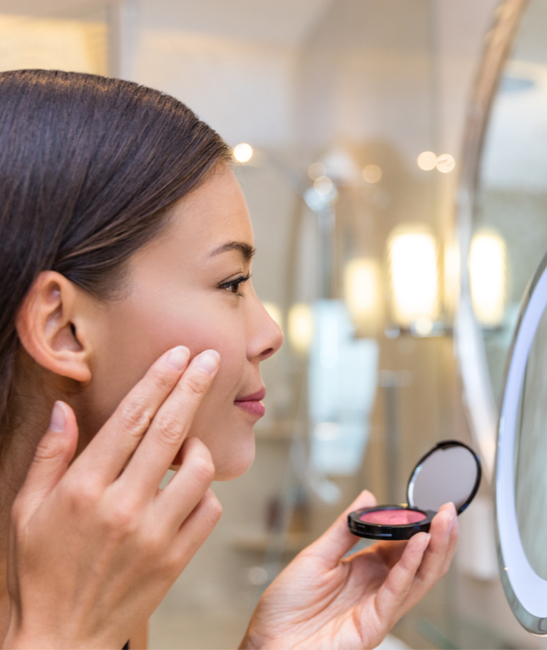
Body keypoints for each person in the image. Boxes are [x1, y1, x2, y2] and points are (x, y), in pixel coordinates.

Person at [0, 69, 458, 649]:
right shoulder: (76, 599)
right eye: (231, 282)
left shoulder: (92, 568)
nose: (270, 333)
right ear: (63, 329)